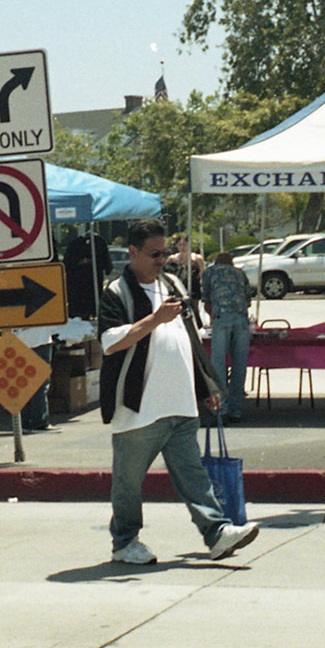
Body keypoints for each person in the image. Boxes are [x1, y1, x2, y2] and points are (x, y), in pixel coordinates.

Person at [100, 220, 260, 566]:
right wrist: (154, 320)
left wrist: (207, 385)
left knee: (194, 475)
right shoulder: (117, 292)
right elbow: (110, 342)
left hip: (181, 403)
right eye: (154, 254)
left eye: (165, 253)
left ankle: (217, 532)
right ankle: (125, 542)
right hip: (139, 408)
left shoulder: (172, 284)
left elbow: (190, 338)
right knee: (128, 483)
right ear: (133, 252)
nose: (162, 260)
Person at [198, 251, 253, 423]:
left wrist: (213, 317)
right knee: (239, 364)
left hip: (221, 317)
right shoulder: (240, 273)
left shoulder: (210, 272)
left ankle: (221, 410)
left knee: (218, 364)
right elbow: (248, 301)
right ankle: (236, 410)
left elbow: (206, 300)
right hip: (241, 319)